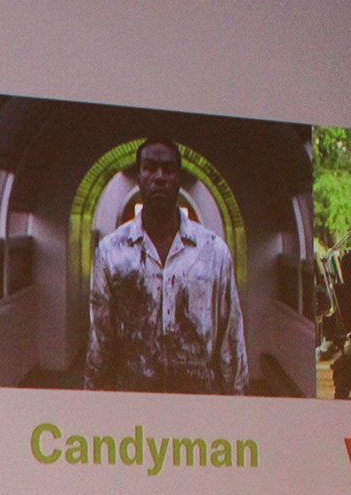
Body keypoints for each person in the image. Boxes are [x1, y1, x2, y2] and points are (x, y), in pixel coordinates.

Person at [84, 138, 248, 394]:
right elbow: (101, 340)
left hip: (198, 406)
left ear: (179, 179)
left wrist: (238, 407)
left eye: (168, 169)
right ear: (138, 177)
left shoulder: (214, 252)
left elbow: (231, 340)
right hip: (134, 404)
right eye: (149, 168)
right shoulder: (111, 252)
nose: (159, 177)